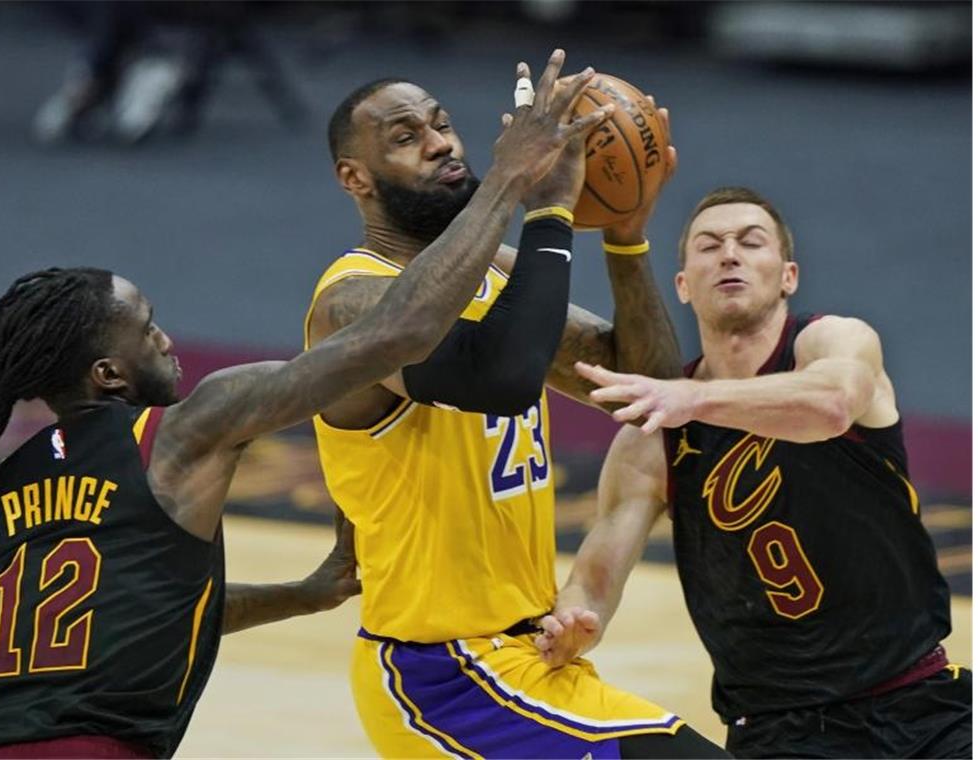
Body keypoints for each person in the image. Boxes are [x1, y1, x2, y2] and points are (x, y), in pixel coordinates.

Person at [0, 49, 610, 759]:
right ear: (111, 375)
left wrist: (303, 594)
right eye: (148, 329)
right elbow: (395, 337)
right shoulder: (188, 427)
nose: (167, 336)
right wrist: (516, 183)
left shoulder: (9, 486)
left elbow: (146, 616)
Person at [306, 50, 728, 758]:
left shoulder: (497, 270)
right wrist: (541, 204)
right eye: (407, 137)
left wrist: (627, 234)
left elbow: (649, 393)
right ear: (355, 177)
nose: (441, 142)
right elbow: (497, 378)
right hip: (441, 674)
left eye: (442, 125)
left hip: (533, 655)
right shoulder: (353, 302)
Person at [540, 186, 972, 758]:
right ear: (684, 285)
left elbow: (832, 405)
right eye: (709, 246)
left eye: (751, 242)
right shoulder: (651, 441)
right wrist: (573, 620)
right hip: (778, 730)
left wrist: (694, 398)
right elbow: (595, 578)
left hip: (921, 701)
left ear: (787, 275)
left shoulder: (830, 341)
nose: (729, 255)